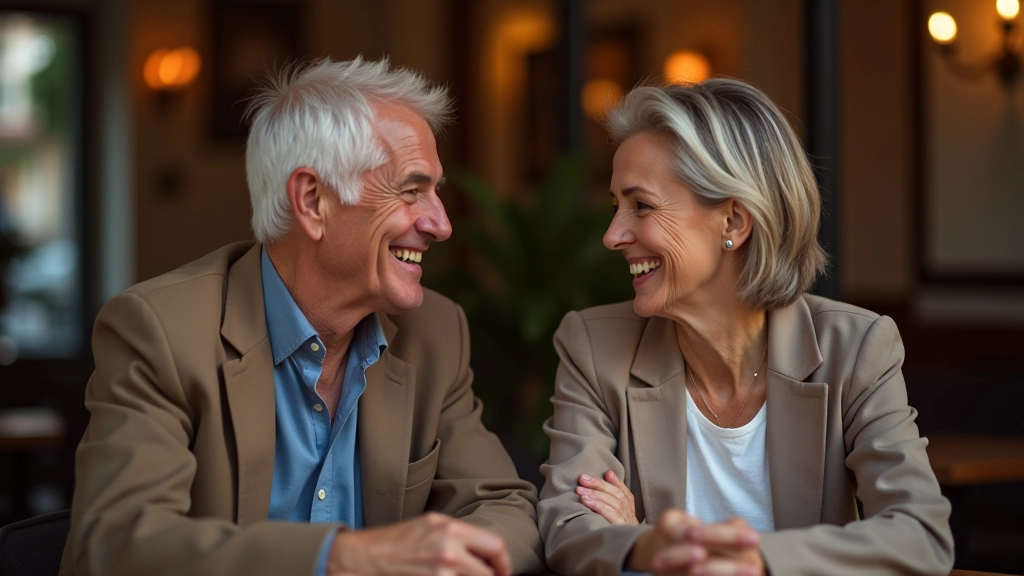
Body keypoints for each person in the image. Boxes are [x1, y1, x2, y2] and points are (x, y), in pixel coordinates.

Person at [60, 57, 545, 576]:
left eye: (436, 191)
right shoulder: (160, 330)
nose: (442, 224)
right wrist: (343, 558)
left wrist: (449, 565)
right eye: (412, 191)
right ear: (312, 201)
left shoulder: (436, 333)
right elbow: (115, 544)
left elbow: (504, 506)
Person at [536, 78, 954, 576]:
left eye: (641, 206)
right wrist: (646, 547)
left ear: (733, 222)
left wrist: (750, 558)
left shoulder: (856, 349)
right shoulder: (594, 345)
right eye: (615, 207)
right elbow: (569, 526)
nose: (612, 235)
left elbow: (920, 534)